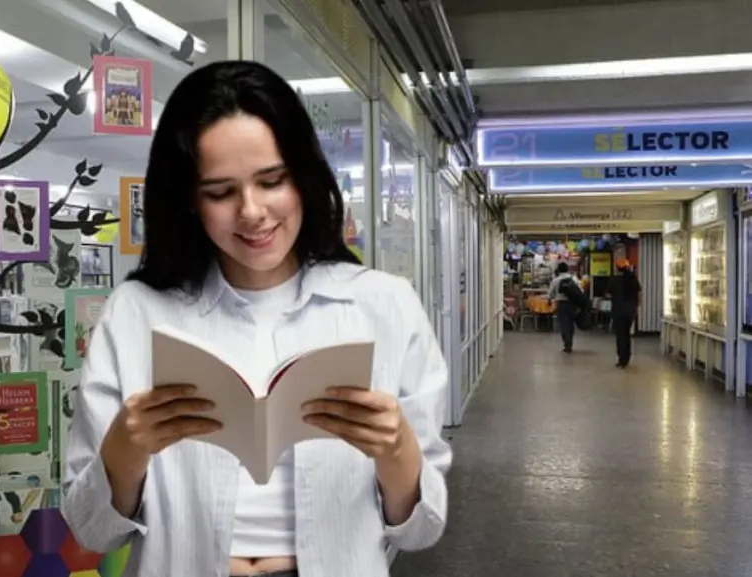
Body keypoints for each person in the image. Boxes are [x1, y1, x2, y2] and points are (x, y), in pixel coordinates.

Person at [61, 60, 451, 577]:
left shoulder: (385, 306)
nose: (252, 211)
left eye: (272, 181)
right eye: (221, 192)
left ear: (305, 179)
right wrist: (126, 450)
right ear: (190, 202)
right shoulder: (136, 314)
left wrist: (396, 449)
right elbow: (93, 531)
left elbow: (422, 529)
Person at [605, 258, 642, 368]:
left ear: (617, 267)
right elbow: (639, 294)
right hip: (630, 311)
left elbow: (608, 295)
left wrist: (614, 297)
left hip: (618, 310)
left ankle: (622, 359)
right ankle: (627, 356)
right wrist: (636, 306)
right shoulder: (633, 279)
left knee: (620, 335)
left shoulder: (614, 280)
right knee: (627, 334)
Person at [548, 262, 582, 352]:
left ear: (558, 270)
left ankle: (567, 344)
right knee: (571, 324)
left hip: (562, 304)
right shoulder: (573, 278)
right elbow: (580, 290)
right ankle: (570, 341)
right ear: (568, 269)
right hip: (573, 304)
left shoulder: (556, 280)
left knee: (564, 324)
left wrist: (550, 300)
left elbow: (551, 293)